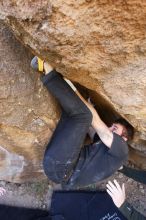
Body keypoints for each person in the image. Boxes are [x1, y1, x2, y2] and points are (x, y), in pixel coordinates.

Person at [31, 56, 134, 188]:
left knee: (83, 115)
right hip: (57, 166)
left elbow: (92, 119)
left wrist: (73, 89)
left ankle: (48, 71)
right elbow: (90, 126)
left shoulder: (122, 151)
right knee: (73, 113)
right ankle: (56, 81)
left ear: (123, 138)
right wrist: (86, 101)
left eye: (115, 128)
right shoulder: (105, 150)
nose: (110, 128)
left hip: (61, 168)